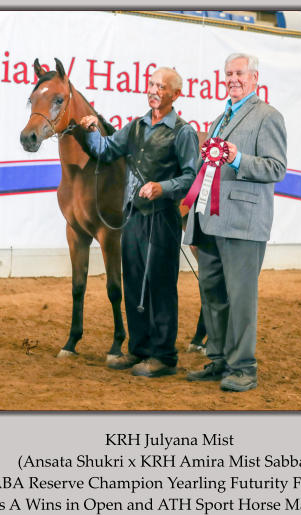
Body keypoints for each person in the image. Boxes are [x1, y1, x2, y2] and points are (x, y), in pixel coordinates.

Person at [80, 67, 199, 377]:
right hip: (133, 216)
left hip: (162, 219)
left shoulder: (183, 132)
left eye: (161, 86)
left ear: (175, 94)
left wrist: (163, 188)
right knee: (133, 281)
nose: (154, 90)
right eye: (151, 84)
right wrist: (93, 129)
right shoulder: (134, 127)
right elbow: (105, 151)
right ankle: (138, 350)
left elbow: (190, 177)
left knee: (160, 285)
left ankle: (163, 356)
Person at [183, 52, 287, 392]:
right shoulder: (219, 119)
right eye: (229, 73)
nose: (233, 79)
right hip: (210, 221)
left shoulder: (268, 117)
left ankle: (243, 367)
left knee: (241, 298)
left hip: (244, 224)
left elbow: (276, 168)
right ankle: (218, 359)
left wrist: (237, 157)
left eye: (240, 73)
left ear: (255, 78)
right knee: (212, 293)